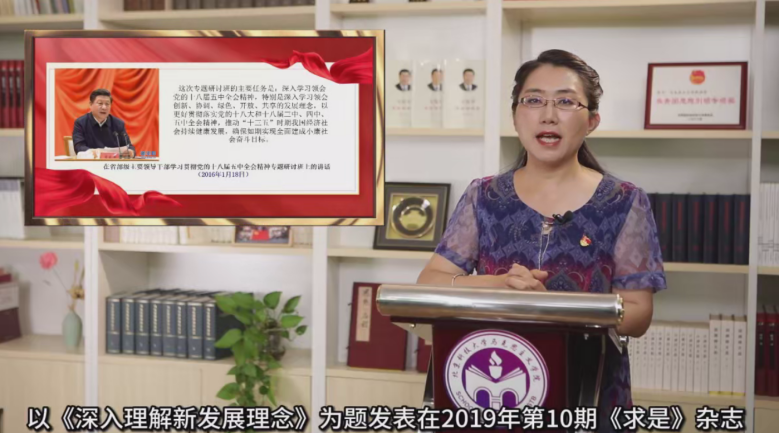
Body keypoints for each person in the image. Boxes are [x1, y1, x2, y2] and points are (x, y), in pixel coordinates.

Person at [417, 49, 666, 430]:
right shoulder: (483, 196)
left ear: (592, 121)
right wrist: (499, 285)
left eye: (565, 102)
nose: (548, 115)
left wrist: (555, 306)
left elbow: (637, 313)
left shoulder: (624, 201)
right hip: (493, 389)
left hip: (589, 394)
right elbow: (430, 282)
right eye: (533, 100)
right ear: (515, 116)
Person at [72, 89, 135, 158]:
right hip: (91, 162)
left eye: (107, 104)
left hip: (112, 163)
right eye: (100, 103)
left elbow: (129, 146)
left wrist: (130, 151)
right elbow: (79, 146)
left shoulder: (118, 124)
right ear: (90, 104)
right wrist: (90, 152)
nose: (104, 107)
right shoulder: (81, 123)